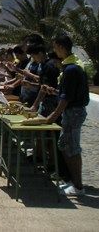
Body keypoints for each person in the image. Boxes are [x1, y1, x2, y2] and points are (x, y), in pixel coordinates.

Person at [45, 34, 89, 196]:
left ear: (62, 47)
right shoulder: (72, 65)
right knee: (64, 145)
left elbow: (67, 98)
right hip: (72, 110)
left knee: (71, 148)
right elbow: (67, 92)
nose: (54, 51)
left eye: (55, 47)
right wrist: (55, 91)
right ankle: (72, 181)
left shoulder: (71, 69)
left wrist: (53, 116)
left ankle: (78, 186)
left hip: (73, 112)